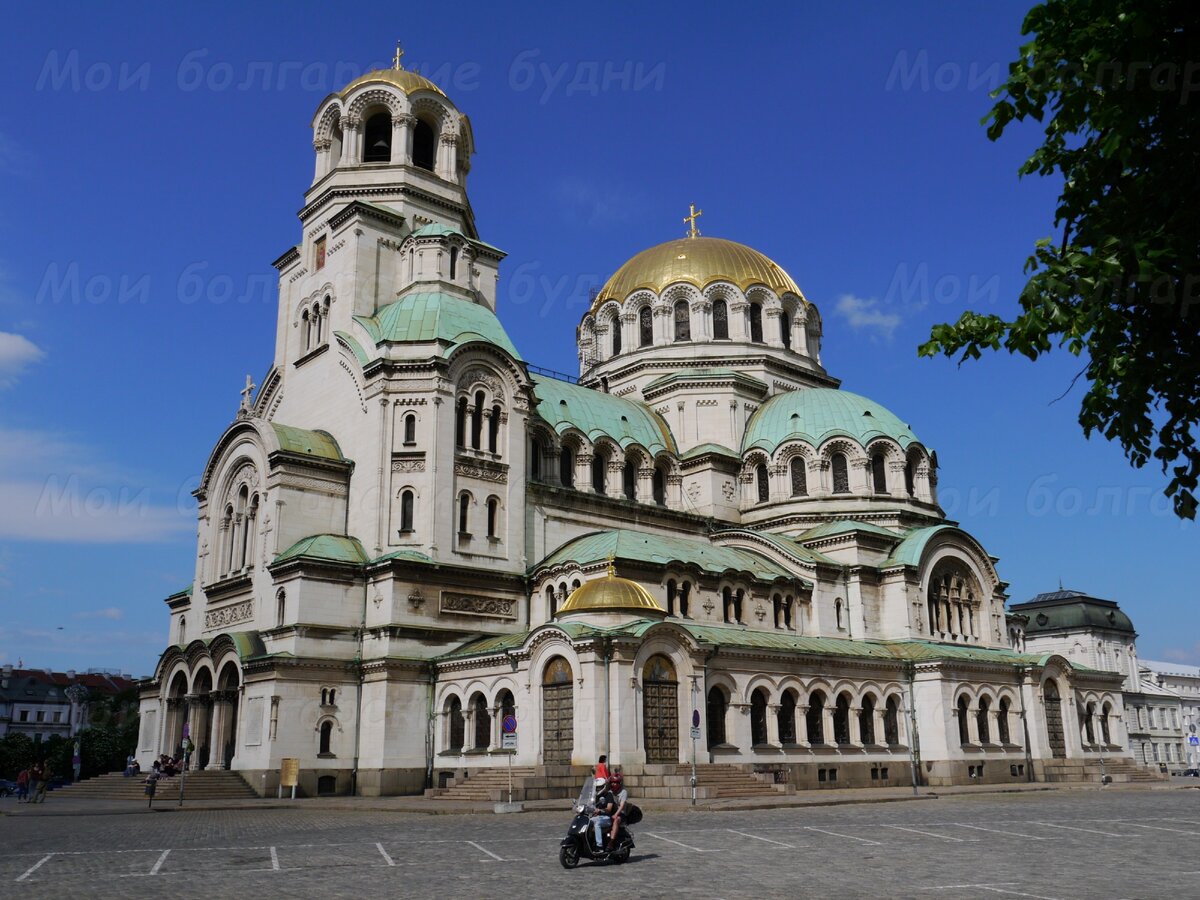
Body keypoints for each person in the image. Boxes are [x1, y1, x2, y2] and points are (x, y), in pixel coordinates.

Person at [589, 776, 615, 852]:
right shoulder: (594, 796)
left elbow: (609, 809)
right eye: (597, 787)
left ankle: (599, 846)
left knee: (597, 824)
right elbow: (589, 804)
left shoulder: (609, 795)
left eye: (600, 787)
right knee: (586, 823)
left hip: (606, 818)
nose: (598, 789)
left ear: (604, 786)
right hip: (596, 817)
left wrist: (600, 811)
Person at [607, 770, 629, 848]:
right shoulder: (609, 792)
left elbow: (622, 806)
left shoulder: (623, 792)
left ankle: (611, 842)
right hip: (611, 813)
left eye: (616, 782)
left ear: (619, 783)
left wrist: (615, 814)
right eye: (612, 782)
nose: (614, 784)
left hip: (621, 814)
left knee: (616, 820)